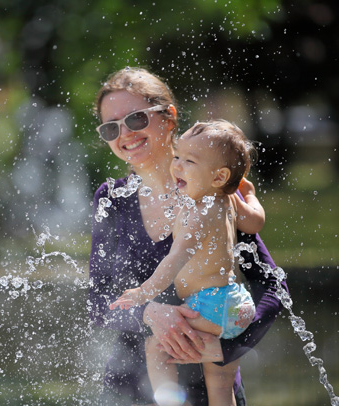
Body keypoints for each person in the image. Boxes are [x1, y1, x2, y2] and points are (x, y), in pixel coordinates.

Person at [88, 67, 286, 406]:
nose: (125, 134)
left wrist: (228, 347)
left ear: (168, 117)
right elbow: (97, 300)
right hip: (129, 390)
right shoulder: (111, 200)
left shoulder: (212, 190)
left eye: (136, 119)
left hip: (209, 393)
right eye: (111, 128)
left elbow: (272, 287)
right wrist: (148, 312)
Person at [109, 119, 262, 405]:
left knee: (157, 348)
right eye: (177, 156)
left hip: (210, 305)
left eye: (188, 161)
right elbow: (254, 223)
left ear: (218, 177)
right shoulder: (226, 198)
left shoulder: (197, 212)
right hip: (237, 304)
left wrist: (142, 293)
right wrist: (250, 196)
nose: (176, 165)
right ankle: (222, 371)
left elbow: (174, 260)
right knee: (220, 388)